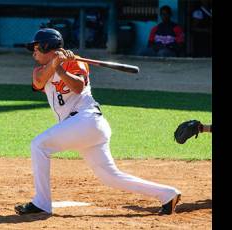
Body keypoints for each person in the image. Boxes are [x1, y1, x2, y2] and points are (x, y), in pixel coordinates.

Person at [15, 28, 182, 216]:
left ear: (47, 46)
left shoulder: (75, 63)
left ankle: (41, 203)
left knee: (39, 145)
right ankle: (168, 194)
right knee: (110, 177)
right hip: (81, 127)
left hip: (87, 120)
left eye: (36, 47)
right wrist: (54, 64)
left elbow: (77, 87)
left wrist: (60, 67)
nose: (33, 52)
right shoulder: (40, 70)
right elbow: (38, 82)